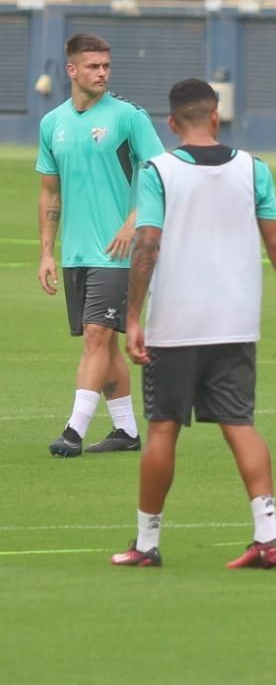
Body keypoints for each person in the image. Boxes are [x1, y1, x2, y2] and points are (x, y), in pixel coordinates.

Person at [110, 79, 276, 570]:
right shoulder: (254, 169)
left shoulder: (158, 171)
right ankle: (268, 536)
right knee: (240, 425)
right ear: (216, 117)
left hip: (177, 322)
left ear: (171, 124)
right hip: (236, 320)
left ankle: (146, 543)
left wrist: (134, 316)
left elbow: (147, 245)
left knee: (162, 428)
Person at [35, 32, 167, 458]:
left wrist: (134, 222)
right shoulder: (52, 124)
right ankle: (126, 432)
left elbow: (159, 174)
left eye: (106, 66)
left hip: (119, 252)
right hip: (76, 252)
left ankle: (73, 430)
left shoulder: (128, 117)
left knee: (95, 334)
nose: (103, 73)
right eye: (93, 66)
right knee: (104, 343)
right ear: (72, 70)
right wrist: (46, 252)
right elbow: (49, 193)